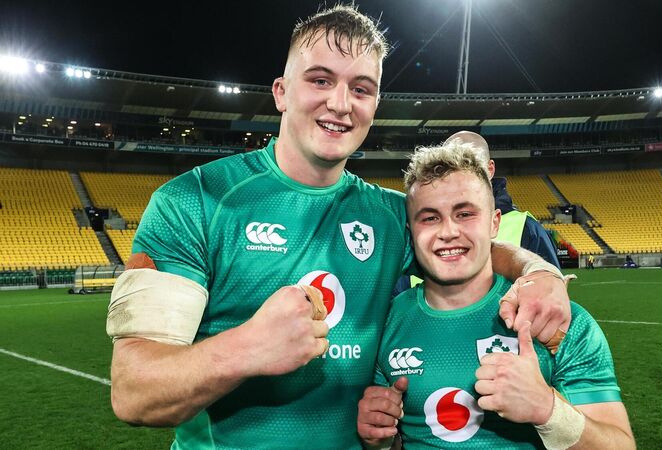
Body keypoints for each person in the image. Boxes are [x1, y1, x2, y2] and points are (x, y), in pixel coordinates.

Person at [106, 5, 573, 449]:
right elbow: (134, 392)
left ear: (375, 104)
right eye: (320, 80)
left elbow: (473, 249)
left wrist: (540, 273)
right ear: (281, 92)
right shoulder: (193, 201)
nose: (340, 103)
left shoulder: (391, 215)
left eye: (361, 89)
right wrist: (246, 348)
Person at [357, 142, 634, 449]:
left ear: (494, 223)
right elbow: (393, 437)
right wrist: (378, 438)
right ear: (411, 231)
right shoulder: (387, 322)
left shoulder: (555, 319)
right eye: (430, 218)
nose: (448, 232)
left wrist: (548, 410)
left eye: (465, 214)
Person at [393, 131, 560, 295]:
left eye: (472, 162)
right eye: (452, 163)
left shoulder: (527, 227)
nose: (462, 169)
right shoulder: (413, 229)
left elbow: (550, 291)